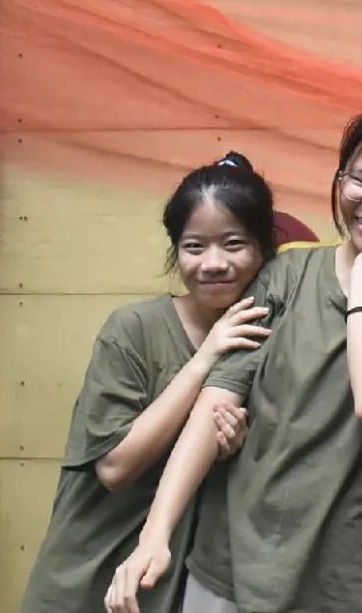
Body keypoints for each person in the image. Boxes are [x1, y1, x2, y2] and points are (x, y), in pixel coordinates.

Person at [105, 110, 362, 613]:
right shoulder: (287, 273)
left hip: (349, 584)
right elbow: (215, 404)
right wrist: (155, 535)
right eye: (360, 180)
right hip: (228, 570)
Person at [18, 152, 278, 613]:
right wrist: (204, 359)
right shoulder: (133, 329)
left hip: (172, 587)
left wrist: (231, 449)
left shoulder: (266, 336)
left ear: (263, 248)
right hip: (85, 582)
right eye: (194, 247)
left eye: (234, 244)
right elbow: (116, 468)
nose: (213, 263)